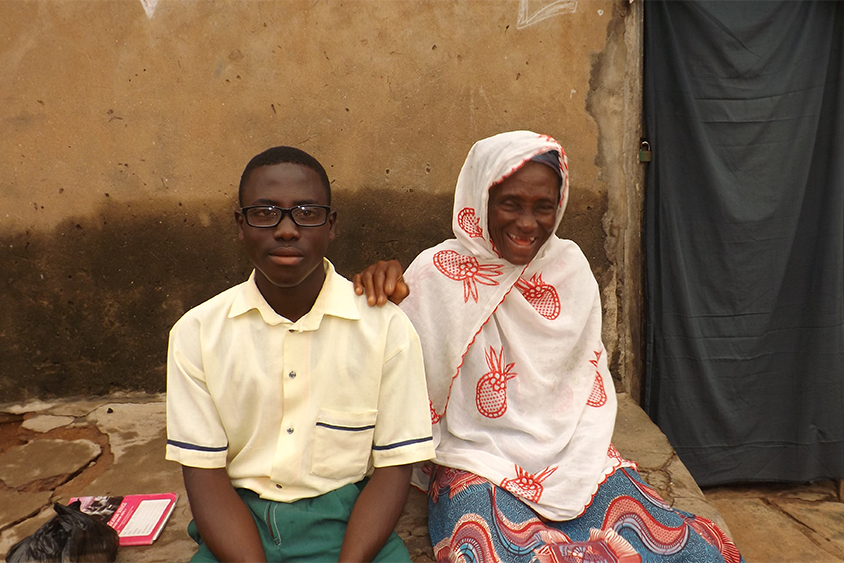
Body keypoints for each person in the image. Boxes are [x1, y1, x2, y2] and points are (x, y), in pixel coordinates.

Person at [353, 131, 743, 563]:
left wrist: (565, 449)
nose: (527, 223)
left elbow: (579, 381)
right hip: (478, 461)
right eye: (510, 204)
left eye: (544, 207)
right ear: (481, 199)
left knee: (692, 553)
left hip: (571, 452)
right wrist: (378, 297)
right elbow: (389, 371)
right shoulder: (439, 274)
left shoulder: (568, 269)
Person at [165, 146, 435, 563]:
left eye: (306, 212)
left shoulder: (385, 329)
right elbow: (206, 479)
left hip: (351, 524)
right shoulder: (197, 334)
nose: (287, 229)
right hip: (240, 522)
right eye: (265, 212)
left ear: (331, 225)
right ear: (241, 224)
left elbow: (395, 466)